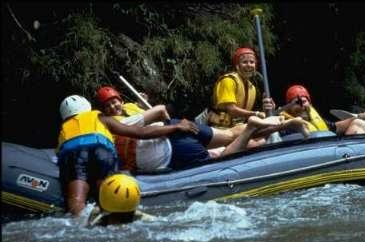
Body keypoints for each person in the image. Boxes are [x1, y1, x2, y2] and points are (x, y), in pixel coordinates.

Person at [95, 86, 310, 172]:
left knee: (223, 158)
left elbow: (146, 128)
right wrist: (174, 124)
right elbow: (159, 112)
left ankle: (252, 128)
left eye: (115, 102)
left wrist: (174, 126)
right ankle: (283, 124)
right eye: (108, 105)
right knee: (230, 136)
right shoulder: (122, 120)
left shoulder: (113, 131)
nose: (114, 107)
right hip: (176, 129)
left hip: (175, 148)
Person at [57, 94, 199, 217]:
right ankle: (109, 215)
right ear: (88, 108)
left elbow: (60, 156)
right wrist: (176, 126)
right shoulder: (100, 117)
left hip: (73, 153)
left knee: (76, 199)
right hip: (101, 151)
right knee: (107, 196)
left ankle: (79, 221)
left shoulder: (63, 129)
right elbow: (140, 133)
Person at [262, 84, 365, 135]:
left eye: (304, 101)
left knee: (359, 123)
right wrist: (269, 113)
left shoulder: (315, 118)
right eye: (296, 103)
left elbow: (334, 126)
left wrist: (361, 116)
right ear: (288, 107)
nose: (301, 106)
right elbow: (271, 131)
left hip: (328, 153)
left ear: (310, 104)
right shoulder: (284, 123)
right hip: (303, 157)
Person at [208, 47, 267, 130]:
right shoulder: (228, 81)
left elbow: (246, 113)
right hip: (217, 127)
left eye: (252, 62)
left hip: (237, 127)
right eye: (244, 62)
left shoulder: (252, 88)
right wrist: (256, 114)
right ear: (237, 66)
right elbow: (231, 110)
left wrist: (266, 110)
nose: (249, 65)